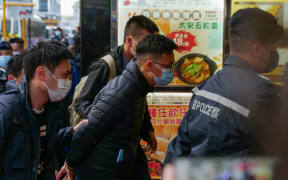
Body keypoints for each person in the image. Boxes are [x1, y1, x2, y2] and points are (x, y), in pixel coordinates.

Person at [164, 8, 284, 164]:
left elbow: (179, 149)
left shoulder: (205, 88)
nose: (273, 53)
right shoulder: (264, 94)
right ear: (257, 48)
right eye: (271, 48)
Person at [58, 33, 177, 180]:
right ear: (149, 65)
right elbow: (87, 131)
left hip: (120, 163)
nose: (171, 71)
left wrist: (148, 131)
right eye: (168, 66)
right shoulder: (120, 93)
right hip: (101, 171)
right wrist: (70, 164)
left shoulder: (139, 85)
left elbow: (140, 110)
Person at [73, 15, 159, 179]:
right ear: (129, 41)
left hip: (128, 144)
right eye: (146, 43)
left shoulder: (138, 65)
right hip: (104, 148)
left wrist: (148, 130)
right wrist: (104, 119)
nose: (150, 50)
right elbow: (81, 101)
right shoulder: (106, 66)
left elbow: (140, 101)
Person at [0, 41, 85, 180]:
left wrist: (71, 133)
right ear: (41, 74)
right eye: (65, 75)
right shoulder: (7, 110)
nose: (69, 81)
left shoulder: (54, 108)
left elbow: (43, 142)